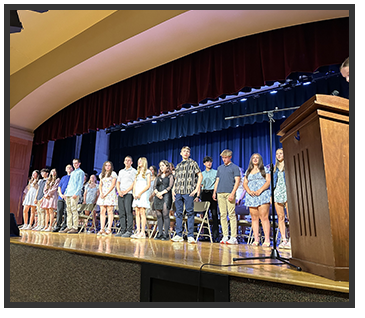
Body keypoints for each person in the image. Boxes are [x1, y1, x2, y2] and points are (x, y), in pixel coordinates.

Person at [171, 146, 203, 243]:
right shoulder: (179, 165)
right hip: (178, 191)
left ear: (189, 154)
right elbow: (176, 179)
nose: (185, 153)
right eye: (184, 151)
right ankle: (179, 234)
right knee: (179, 213)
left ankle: (190, 235)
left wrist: (197, 189)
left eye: (187, 151)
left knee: (190, 213)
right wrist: (173, 190)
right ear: (181, 153)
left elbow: (200, 175)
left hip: (189, 191)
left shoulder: (193, 163)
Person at [213, 150, 241, 245]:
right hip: (220, 193)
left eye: (226, 157)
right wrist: (214, 192)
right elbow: (217, 180)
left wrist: (233, 193)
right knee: (223, 215)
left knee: (232, 214)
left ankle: (233, 237)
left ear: (230, 157)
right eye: (223, 157)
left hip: (230, 193)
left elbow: (237, 181)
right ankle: (225, 235)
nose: (224, 159)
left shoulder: (235, 167)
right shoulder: (220, 168)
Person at [243, 153, 271, 246]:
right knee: (254, 218)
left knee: (264, 217)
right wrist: (249, 191)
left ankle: (267, 240)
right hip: (251, 196)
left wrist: (260, 190)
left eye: (257, 158)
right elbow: (245, 183)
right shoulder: (248, 171)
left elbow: (268, 181)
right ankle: (256, 239)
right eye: (253, 158)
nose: (255, 159)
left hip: (262, 195)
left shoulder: (264, 169)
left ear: (260, 160)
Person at [60, 159, 85, 234]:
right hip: (68, 193)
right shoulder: (73, 172)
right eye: (73, 163)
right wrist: (66, 192)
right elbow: (69, 184)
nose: (75, 164)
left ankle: (75, 227)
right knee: (68, 210)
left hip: (74, 193)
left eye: (76, 163)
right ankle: (69, 226)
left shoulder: (81, 172)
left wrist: (76, 193)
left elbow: (80, 184)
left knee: (74, 209)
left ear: (79, 164)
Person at [115, 156, 137, 238]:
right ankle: (122, 230)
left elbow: (134, 183)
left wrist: (126, 191)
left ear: (131, 162)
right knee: (121, 212)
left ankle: (129, 230)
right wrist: (119, 191)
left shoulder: (134, 171)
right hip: (121, 194)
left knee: (128, 212)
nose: (127, 162)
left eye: (129, 160)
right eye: (126, 160)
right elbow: (118, 182)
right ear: (124, 162)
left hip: (129, 193)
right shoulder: (121, 171)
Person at [273, 148, 290, 249]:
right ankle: (284, 239)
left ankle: (292, 239)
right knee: (280, 217)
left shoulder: (288, 165)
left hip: (287, 192)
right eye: (277, 154)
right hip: (277, 193)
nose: (279, 155)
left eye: (281, 153)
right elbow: (273, 182)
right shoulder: (274, 167)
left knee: (290, 217)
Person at [153, 160, 174, 240]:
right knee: (158, 215)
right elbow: (154, 187)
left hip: (166, 196)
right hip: (158, 196)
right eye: (160, 166)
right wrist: (157, 193)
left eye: (163, 165)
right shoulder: (158, 176)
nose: (161, 167)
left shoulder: (170, 176)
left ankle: (166, 234)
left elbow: (170, 186)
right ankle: (160, 233)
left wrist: (161, 193)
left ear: (167, 167)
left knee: (165, 214)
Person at [131, 157, 152, 239]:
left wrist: (140, 193)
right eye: (138, 161)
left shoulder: (147, 172)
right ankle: (138, 231)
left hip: (143, 194)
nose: (139, 162)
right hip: (136, 194)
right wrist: (134, 193)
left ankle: (143, 232)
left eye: (140, 161)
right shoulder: (137, 172)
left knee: (142, 212)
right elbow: (134, 184)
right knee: (137, 212)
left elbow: (148, 185)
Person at [96, 161, 118, 236]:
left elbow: (113, 185)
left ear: (111, 167)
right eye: (106, 165)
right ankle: (102, 228)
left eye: (109, 165)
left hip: (110, 193)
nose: (107, 167)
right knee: (102, 211)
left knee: (110, 211)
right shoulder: (101, 174)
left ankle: (109, 229)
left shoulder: (113, 174)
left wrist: (106, 193)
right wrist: (101, 192)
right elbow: (100, 184)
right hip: (103, 194)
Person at [201, 156, 219, 242]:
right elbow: (201, 185)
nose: (209, 163)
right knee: (205, 215)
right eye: (207, 162)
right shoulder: (202, 174)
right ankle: (205, 235)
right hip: (204, 193)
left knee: (214, 214)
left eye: (210, 162)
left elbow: (217, 183)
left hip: (213, 193)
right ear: (204, 164)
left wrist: (215, 193)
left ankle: (215, 235)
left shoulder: (215, 172)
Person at [53, 165, 73, 232]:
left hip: (68, 197)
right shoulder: (63, 177)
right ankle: (58, 226)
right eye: (67, 167)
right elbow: (59, 187)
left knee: (66, 212)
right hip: (61, 197)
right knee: (59, 211)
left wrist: (66, 195)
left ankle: (64, 225)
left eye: (70, 167)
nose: (68, 168)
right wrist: (61, 194)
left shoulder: (73, 177)